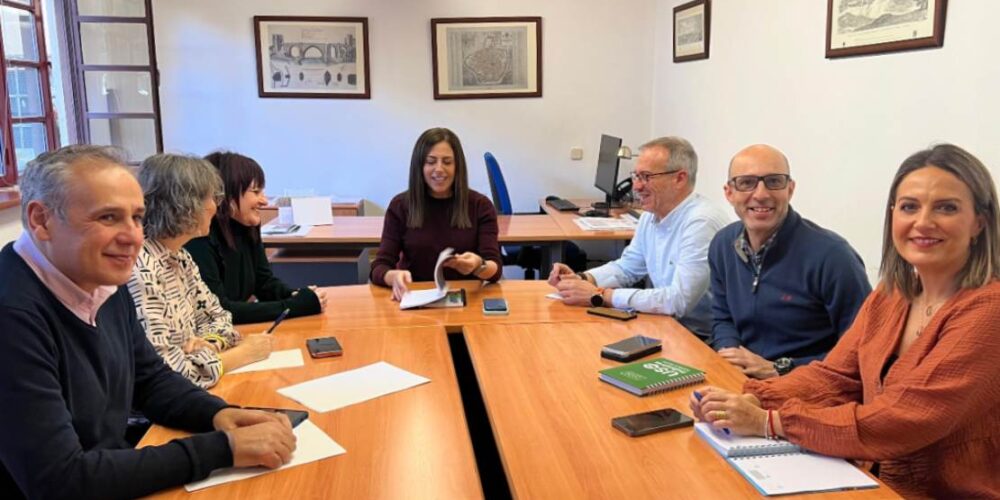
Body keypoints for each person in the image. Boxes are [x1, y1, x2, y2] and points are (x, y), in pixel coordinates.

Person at [692, 144, 1000, 498]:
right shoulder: (892, 295)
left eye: (946, 207)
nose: (923, 222)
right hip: (866, 478)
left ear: (980, 221)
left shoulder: (988, 311)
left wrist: (771, 421)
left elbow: (904, 419)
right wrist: (753, 397)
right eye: (909, 207)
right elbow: (835, 376)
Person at [0, 145, 296, 499]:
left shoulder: (98, 279)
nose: (134, 237)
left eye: (137, 217)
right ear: (41, 220)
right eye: (108, 217)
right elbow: (59, 480)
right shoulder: (12, 315)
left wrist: (218, 414)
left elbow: (150, 379)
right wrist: (223, 448)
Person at [709, 144, 871, 378]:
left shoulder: (833, 257)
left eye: (774, 181)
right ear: (729, 193)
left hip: (808, 385)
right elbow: (723, 318)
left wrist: (780, 368)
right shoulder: (722, 245)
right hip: (742, 379)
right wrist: (730, 355)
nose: (761, 194)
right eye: (746, 183)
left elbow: (863, 350)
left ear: (790, 189)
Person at [547, 137, 728, 336]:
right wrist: (584, 279)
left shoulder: (701, 222)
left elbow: (678, 301)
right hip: (667, 325)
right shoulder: (651, 215)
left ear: (679, 179)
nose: (637, 186)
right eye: (636, 176)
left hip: (703, 339)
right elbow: (628, 267)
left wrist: (601, 295)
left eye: (646, 177)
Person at [129, 154, 273, 388]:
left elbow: (219, 317)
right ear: (186, 205)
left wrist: (211, 342)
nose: (216, 207)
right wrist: (242, 354)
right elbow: (168, 376)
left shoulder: (181, 257)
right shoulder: (141, 270)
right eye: (213, 198)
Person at [185, 152, 327, 324]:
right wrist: (294, 306)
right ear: (226, 195)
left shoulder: (248, 226)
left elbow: (263, 282)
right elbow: (220, 310)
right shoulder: (199, 239)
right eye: (256, 191)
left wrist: (294, 295)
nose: (265, 201)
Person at [371, 127, 503, 300]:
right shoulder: (400, 206)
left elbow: (495, 269)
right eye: (431, 162)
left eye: (447, 162)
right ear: (420, 166)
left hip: (466, 299)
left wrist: (479, 266)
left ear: (457, 166)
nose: (439, 169)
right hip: (415, 298)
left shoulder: (480, 206)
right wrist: (393, 276)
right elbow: (379, 266)